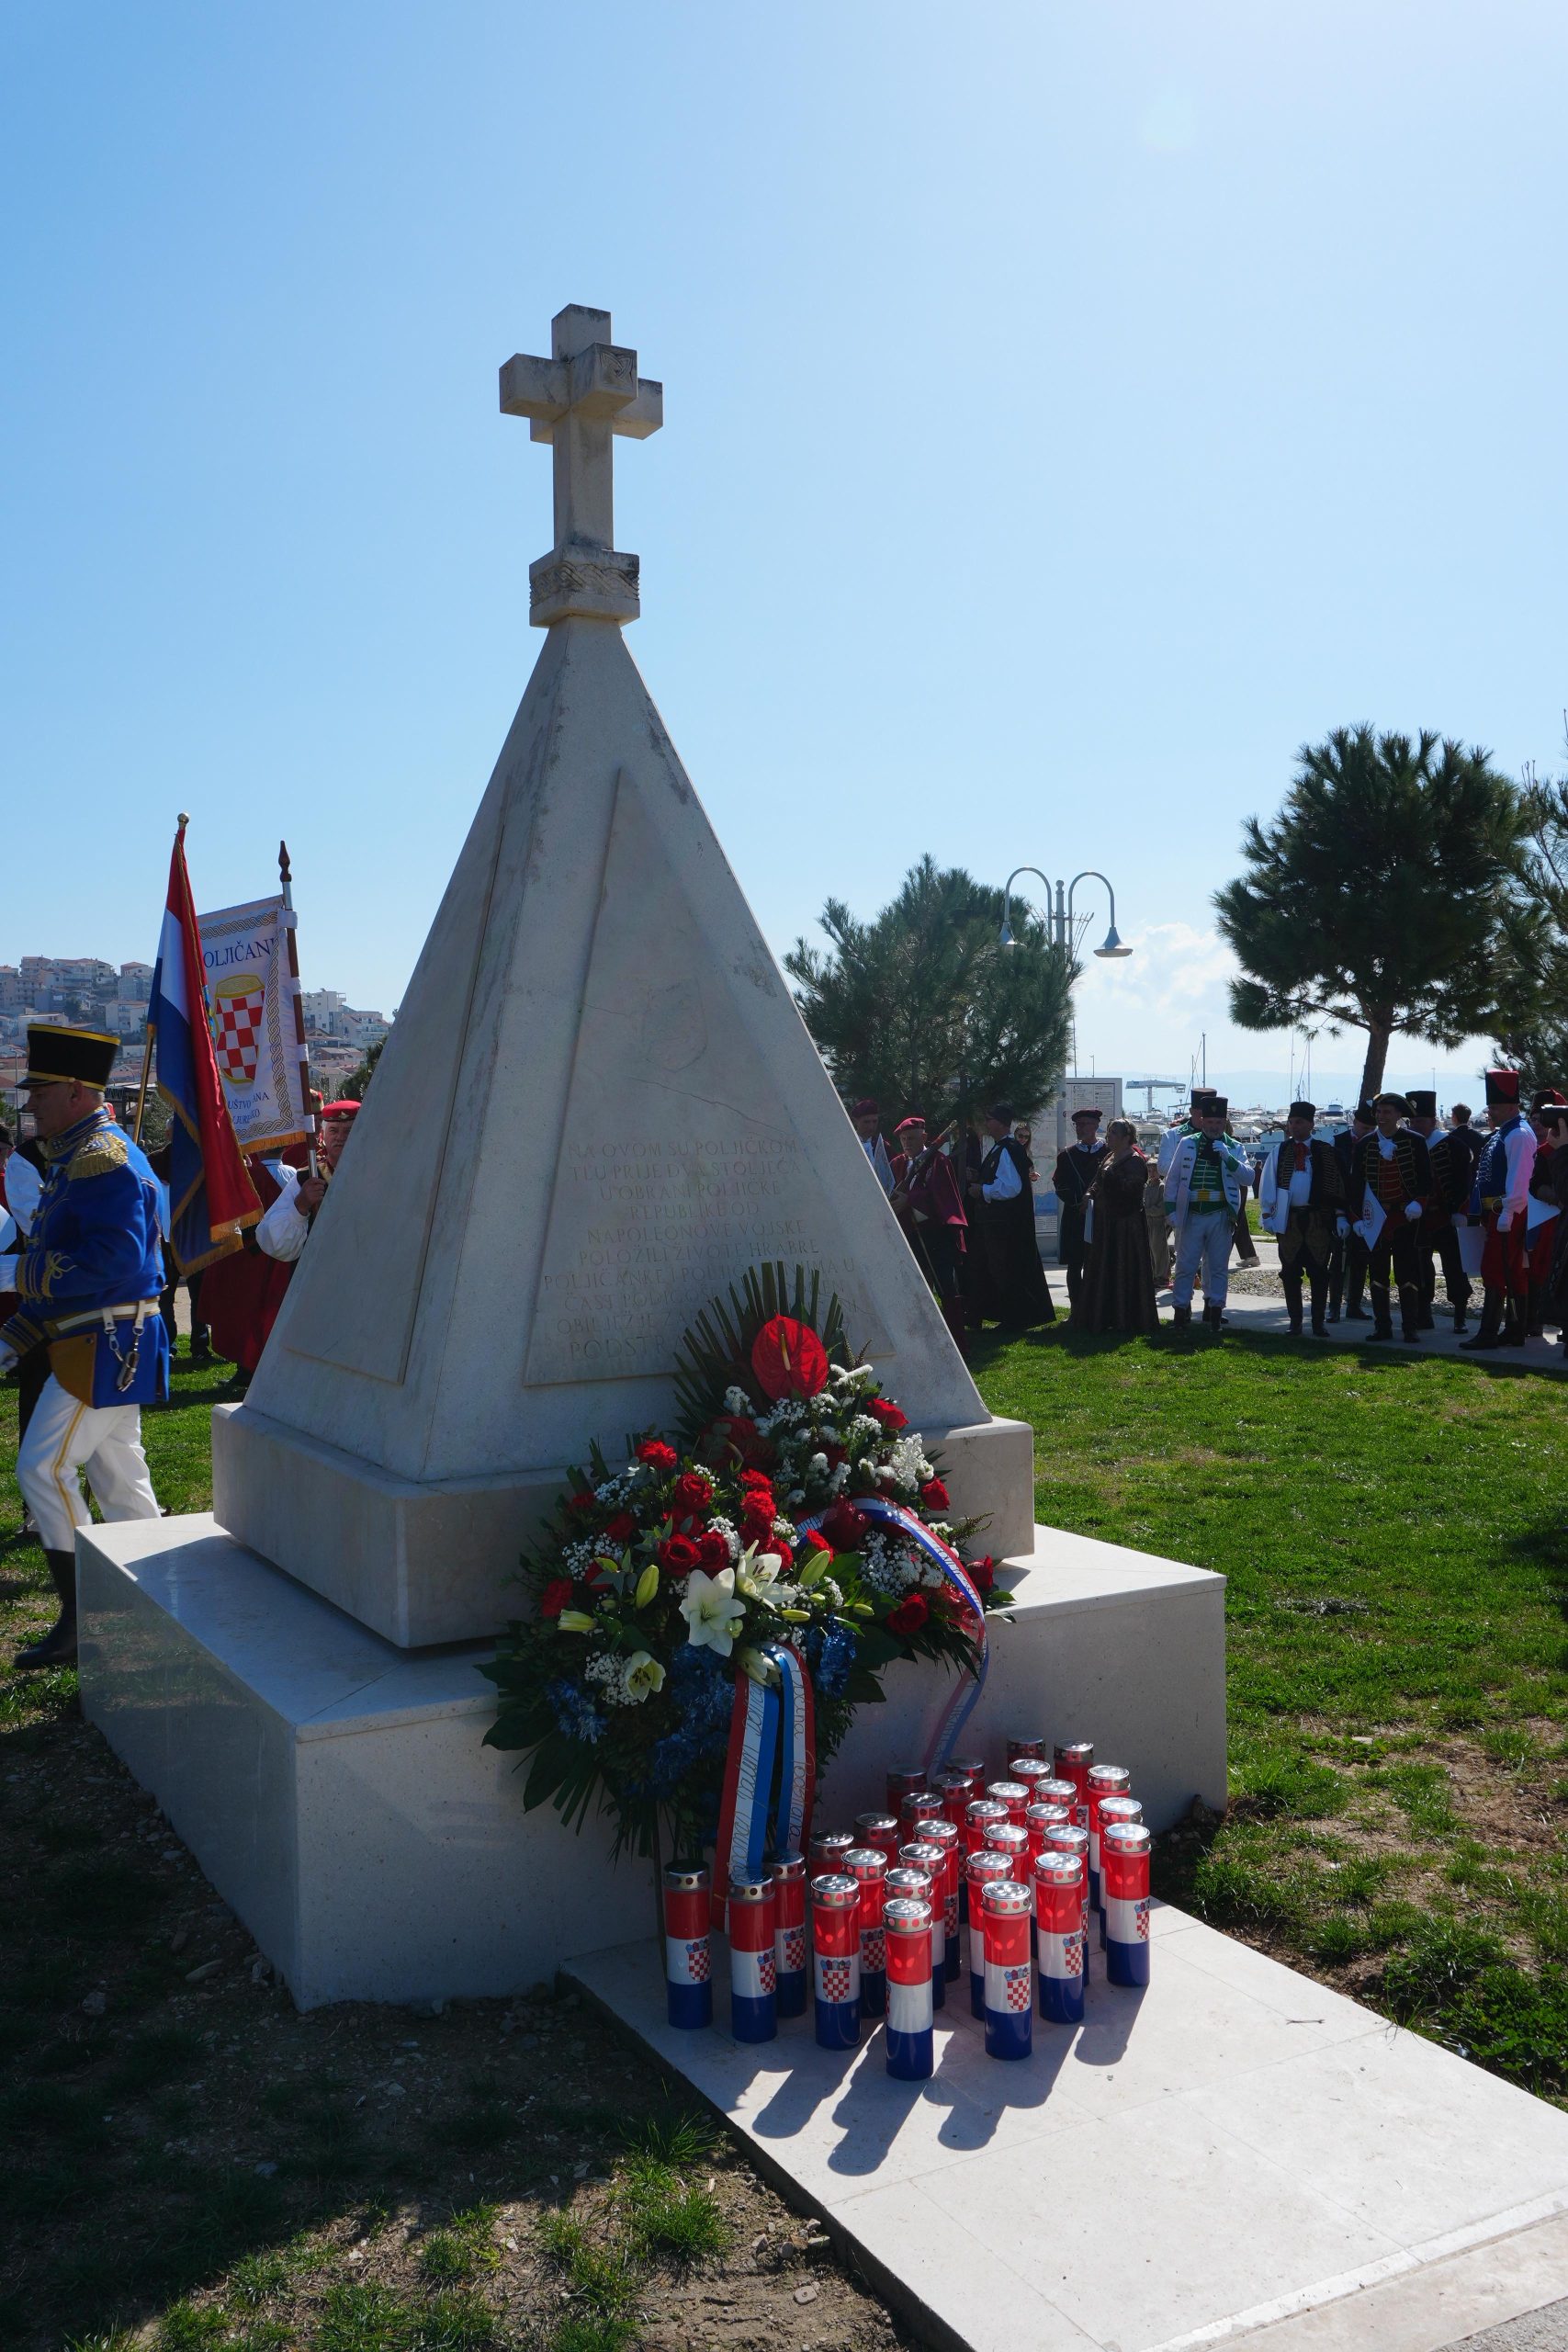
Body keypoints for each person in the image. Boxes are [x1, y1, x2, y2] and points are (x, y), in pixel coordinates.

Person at [0, 1026, 168, 1667]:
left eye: (40, 1093)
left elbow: (115, 1261)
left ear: (75, 1091)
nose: (30, 1106)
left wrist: (15, 1273)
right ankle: (160, 1595)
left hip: (104, 1342)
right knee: (119, 1476)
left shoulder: (100, 1158)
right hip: (101, 1337)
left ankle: (84, 1619)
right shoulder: (79, 1156)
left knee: (43, 1469)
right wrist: (14, 1337)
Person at [1346, 1091, 1431, 1343]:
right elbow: (1356, 1184)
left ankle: (1410, 1327)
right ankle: (1382, 1326)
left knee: (1408, 1274)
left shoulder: (1415, 1141)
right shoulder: (1364, 1144)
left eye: (1387, 1112)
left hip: (1406, 1218)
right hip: (1376, 1218)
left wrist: (1419, 1202)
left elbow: (1426, 1178)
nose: (1381, 1116)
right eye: (1379, 1112)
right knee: (1378, 1274)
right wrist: (1355, 1218)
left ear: (1398, 1115)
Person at [1461, 1069, 1536, 1351]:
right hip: (1498, 1212)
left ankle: (1489, 1332)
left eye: (1495, 1106)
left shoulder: (1518, 1134)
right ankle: (1515, 1330)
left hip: (1508, 1212)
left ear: (1512, 1106)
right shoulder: (1504, 1133)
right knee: (1511, 1270)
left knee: (1494, 1268)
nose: (1490, 1111)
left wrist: (1508, 1212)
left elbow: (1519, 1179)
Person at [1258, 1101, 1345, 1338]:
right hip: (1289, 1220)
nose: (1294, 1126)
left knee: (1320, 1272)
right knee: (1290, 1272)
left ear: (1311, 1124)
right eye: (1291, 1122)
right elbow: (1268, 1182)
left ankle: (1318, 1322)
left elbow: (1337, 1186)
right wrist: (1267, 1214)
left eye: (1299, 1122)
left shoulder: (1326, 1151)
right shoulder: (1280, 1151)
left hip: (1318, 1219)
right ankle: (1295, 1322)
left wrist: (1340, 1216)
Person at [1164, 1095, 1248, 1334]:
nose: (1214, 1127)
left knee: (1218, 1267)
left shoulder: (1235, 1147)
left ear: (1224, 1122)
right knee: (1185, 1265)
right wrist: (1171, 1211)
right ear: (1202, 1121)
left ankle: (1215, 1313)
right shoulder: (1187, 1143)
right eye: (1210, 1122)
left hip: (1220, 1214)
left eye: (1218, 1123)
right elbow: (1173, 1178)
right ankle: (1180, 1312)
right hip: (1191, 1214)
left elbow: (1248, 1178)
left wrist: (1228, 1158)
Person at [968, 1102, 1055, 1329]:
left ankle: (1013, 1318)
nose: (986, 1124)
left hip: (1004, 1225)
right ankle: (1004, 1315)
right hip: (998, 1224)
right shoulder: (1001, 1148)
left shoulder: (1008, 1148)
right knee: (996, 1269)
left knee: (1005, 1270)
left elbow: (1011, 1187)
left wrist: (983, 1190)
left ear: (1000, 1122)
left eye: (989, 1120)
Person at [889, 1114, 969, 1355]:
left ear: (924, 1137)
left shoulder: (938, 1161)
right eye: (903, 1139)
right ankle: (918, 1344)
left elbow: (941, 1195)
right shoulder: (897, 1164)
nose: (907, 1143)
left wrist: (910, 1199)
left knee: (946, 1289)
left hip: (936, 1236)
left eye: (912, 1138)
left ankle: (957, 1345)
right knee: (913, 1292)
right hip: (909, 1235)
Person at [253, 1100, 359, 1264]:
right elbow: (273, 1242)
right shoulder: (306, 1177)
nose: (340, 1137)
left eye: (348, 1131)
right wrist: (300, 1206)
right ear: (323, 1135)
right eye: (333, 1130)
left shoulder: (380, 1174)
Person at [1078, 1119, 1158, 1334]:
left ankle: (1126, 1318)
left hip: (1125, 1226)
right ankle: (1102, 1316)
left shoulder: (1135, 1161)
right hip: (1105, 1224)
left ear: (1126, 1137)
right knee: (1104, 1267)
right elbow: (1098, 1181)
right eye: (1109, 1132)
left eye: (1114, 1133)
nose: (1109, 1136)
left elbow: (1132, 1192)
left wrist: (1112, 1179)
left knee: (1123, 1268)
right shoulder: (1109, 1156)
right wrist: (1089, 1194)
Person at [1403, 1091, 1472, 1334]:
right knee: (1420, 1268)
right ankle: (1424, 1314)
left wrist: (1460, 1211)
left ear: (1433, 1121)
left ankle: (1460, 1316)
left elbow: (1465, 1182)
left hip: (1446, 1217)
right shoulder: (1407, 1145)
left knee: (1455, 1267)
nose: (1415, 1126)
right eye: (1412, 1121)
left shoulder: (1454, 1146)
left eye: (1420, 1121)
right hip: (1419, 1219)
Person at [1052, 1106, 1106, 1313]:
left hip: (1101, 1215)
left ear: (1096, 1126)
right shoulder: (1067, 1155)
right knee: (1074, 1263)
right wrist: (1078, 1202)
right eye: (1077, 1124)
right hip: (1075, 1215)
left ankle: (1097, 1308)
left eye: (1084, 1124)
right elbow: (1060, 1184)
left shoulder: (1108, 1152)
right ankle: (1076, 1308)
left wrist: (1096, 1201)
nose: (1079, 1128)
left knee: (1099, 1262)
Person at [1327, 1102, 1375, 1323]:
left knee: (1360, 1260)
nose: (1367, 1132)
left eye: (1371, 1129)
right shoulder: (1337, 1143)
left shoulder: (1376, 1143)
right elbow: (1332, 1180)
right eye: (1364, 1128)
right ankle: (1334, 1307)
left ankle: (1354, 1305)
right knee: (1338, 1260)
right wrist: (1339, 1214)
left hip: (1366, 1209)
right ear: (1355, 1123)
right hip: (1341, 1209)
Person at [1526, 1089, 1565, 1338]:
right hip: (1545, 1221)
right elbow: (1536, 1184)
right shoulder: (1542, 1152)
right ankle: (1534, 1320)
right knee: (1538, 1269)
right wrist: (1557, 1197)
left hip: (1559, 1222)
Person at [850, 1099, 896, 1198]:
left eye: (874, 1121)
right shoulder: (848, 1144)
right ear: (855, 1121)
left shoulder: (884, 1147)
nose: (871, 1127)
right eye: (866, 1122)